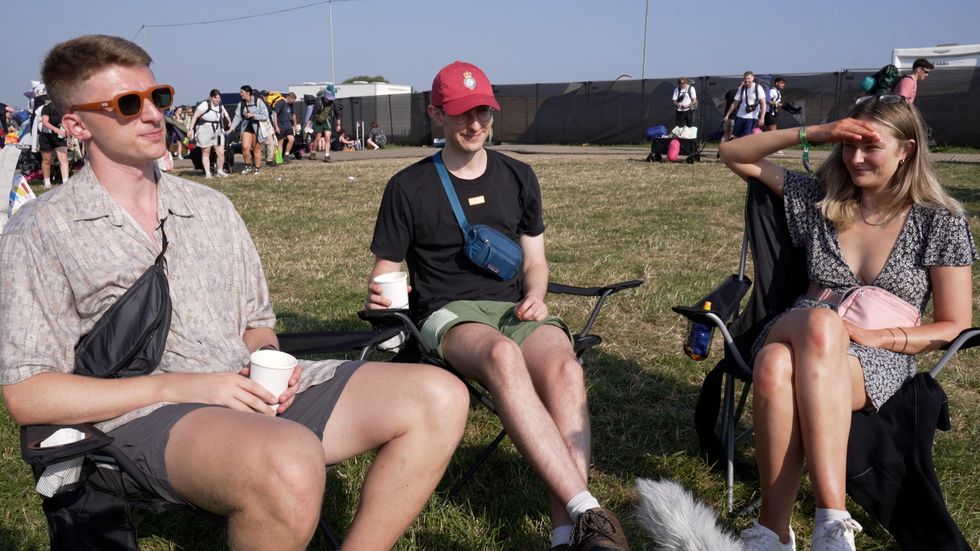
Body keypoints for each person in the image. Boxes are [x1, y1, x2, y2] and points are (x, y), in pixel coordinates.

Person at [0, 34, 469, 551]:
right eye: (127, 105)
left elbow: (256, 324)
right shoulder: (44, 229)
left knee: (438, 395)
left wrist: (272, 362)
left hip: (244, 390)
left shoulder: (210, 209)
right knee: (288, 457)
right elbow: (28, 394)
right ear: (75, 124)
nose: (154, 115)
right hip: (138, 414)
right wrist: (185, 387)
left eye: (158, 97)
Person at [367, 60, 630, 551]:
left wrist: (535, 294)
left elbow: (536, 261)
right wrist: (384, 297)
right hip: (448, 313)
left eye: (484, 113)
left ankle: (564, 536)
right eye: (464, 114)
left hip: (514, 308)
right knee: (502, 357)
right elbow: (386, 269)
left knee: (567, 372)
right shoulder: (407, 187)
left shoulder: (519, 175)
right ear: (436, 115)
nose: (476, 125)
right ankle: (588, 511)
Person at [719, 94, 976, 551]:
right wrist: (818, 132)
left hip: (877, 354)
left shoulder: (941, 221)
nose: (855, 158)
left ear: (907, 150)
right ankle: (831, 524)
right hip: (799, 325)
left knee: (775, 368)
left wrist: (877, 336)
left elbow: (955, 324)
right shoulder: (819, 200)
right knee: (820, 326)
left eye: (870, 147)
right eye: (847, 146)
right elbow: (733, 152)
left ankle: (771, 531)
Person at [187, 89, 231, 179]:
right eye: (215, 98)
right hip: (205, 129)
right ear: (211, 97)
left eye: (219, 98)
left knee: (221, 152)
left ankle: (219, 170)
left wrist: (229, 122)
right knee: (206, 152)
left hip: (218, 130)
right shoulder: (205, 104)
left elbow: (226, 115)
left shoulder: (220, 107)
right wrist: (190, 129)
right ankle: (208, 173)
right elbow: (195, 116)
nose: (217, 100)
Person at [230, 85, 268, 175]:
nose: (240, 94)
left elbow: (265, 116)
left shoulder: (258, 101)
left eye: (242, 92)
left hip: (257, 127)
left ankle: (257, 168)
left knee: (256, 149)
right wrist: (232, 127)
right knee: (245, 147)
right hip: (246, 127)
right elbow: (237, 117)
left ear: (248, 93)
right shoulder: (241, 103)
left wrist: (253, 115)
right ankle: (248, 166)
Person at [723, 71, 767, 139]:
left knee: (747, 137)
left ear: (753, 78)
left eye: (748, 78)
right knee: (735, 136)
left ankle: (748, 149)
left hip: (751, 117)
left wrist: (762, 117)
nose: (747, 80)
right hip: (740, 116)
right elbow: (735, 102)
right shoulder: (742, 88)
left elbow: (763, 103)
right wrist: (727, 115)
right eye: (745, 78)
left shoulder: (758, 88)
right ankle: (735, 149)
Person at [38, 99, 69, 188]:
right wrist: (56, 130)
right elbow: (45, 122)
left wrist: (69, 135)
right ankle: (47, 181)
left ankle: (65, 182)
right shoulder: (47, 107)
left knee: (63, 158)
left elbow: (67, 122)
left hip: (60, 136)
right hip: (46, 136)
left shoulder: (64, 108)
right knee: (47, 159)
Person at [308, 89, 334, 162]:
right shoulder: (319, 102)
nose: (329, 100)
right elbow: (313, 114)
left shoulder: (332, 103)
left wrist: (338, 123)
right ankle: (313, 152)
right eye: (328, 99)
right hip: (318, 121)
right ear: (325, 97)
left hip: (327, 121)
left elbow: (337, 112)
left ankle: (327, 155)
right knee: (317, 138)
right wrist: (308, 124)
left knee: (327, 138)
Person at [274, 92, 298, 161]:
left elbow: (293, 115)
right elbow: (275, 114)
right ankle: (279, 159)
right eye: (292, 100)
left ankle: (286, 155)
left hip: (288, 126)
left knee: (291, 139)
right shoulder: (280, 103)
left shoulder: (291, 104)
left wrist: (295, 125)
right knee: (280, 142)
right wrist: (276, 127)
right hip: (280, 126)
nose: (293, 102)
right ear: (289, 97)